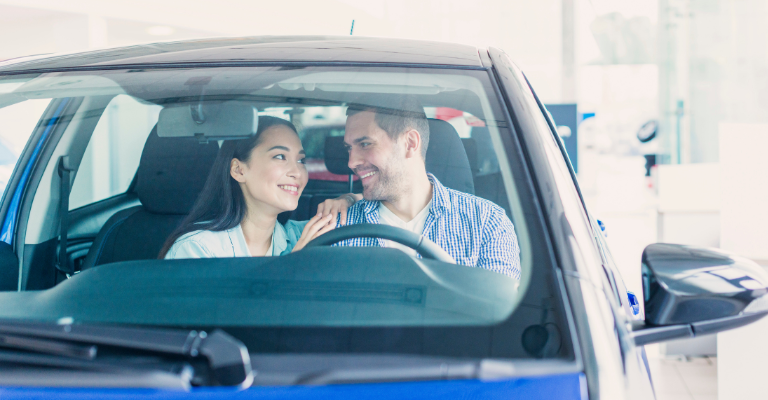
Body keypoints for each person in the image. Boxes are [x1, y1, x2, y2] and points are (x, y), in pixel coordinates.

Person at [338, 96, 521, 279]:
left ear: (410, 143)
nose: (351, 162)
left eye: (365, 144)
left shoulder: (486, 224)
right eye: (348, 148)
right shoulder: (337, 225)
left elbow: (497, 305)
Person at [159, 116, 355, 259]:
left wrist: (348, 199)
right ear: (238, 170)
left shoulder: (305, 234)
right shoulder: (198, 249)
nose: (297, 172)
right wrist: (291, 268)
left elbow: (381, 206)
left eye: (301, 160)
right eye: (280, 156)